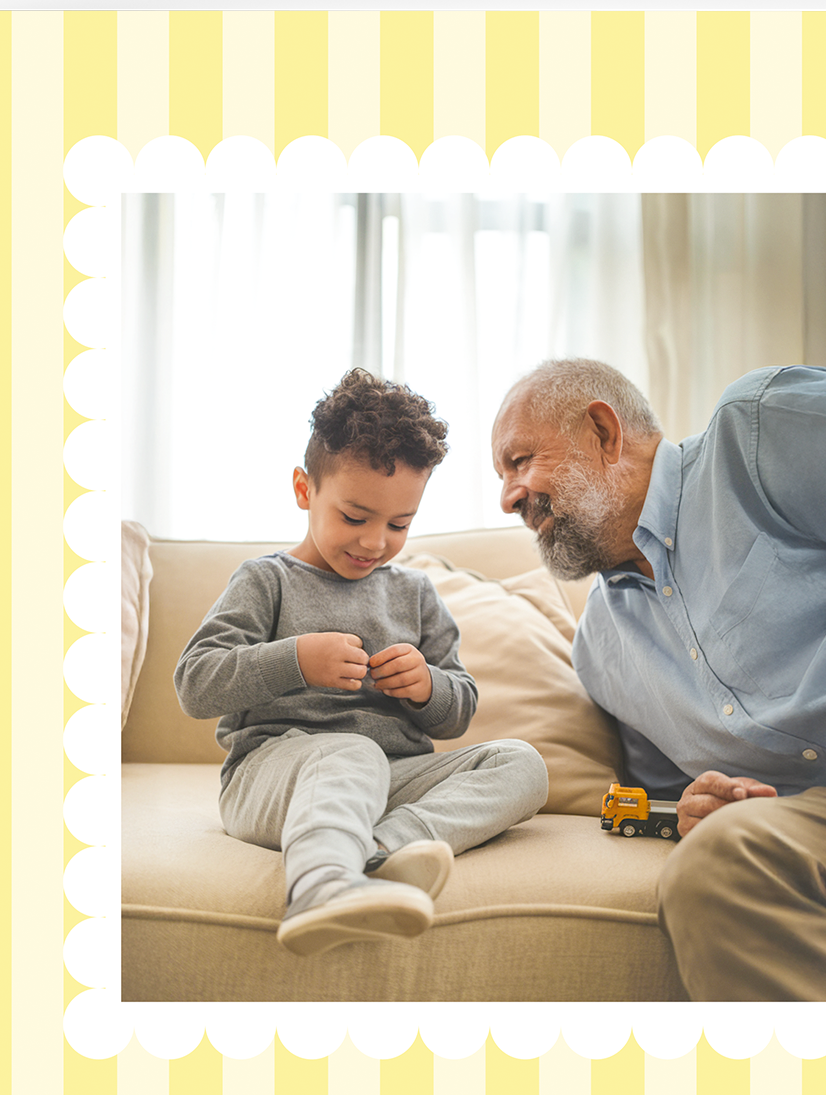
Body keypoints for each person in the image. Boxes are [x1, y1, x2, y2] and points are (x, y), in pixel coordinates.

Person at [491, 358, 826, 1002]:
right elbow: (675, 797)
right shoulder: (601, 652)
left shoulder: (760, 433)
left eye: (519, 462)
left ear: (603, 432)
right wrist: (698, 805)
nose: (508, 496)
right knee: (715, 866)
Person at [175, 369, 548, 958]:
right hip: (275, 777)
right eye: (355, 517)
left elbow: (458, 714)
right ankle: (321, 888)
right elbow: (195, 683)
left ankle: (380, 853)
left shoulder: (416, 594)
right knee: (351, 753)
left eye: (399, 524)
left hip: (390, 780)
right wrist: (295, 659)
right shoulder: (266, 580)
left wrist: (427, 688)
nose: (375, 542)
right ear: (305, 490)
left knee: (522, 764)